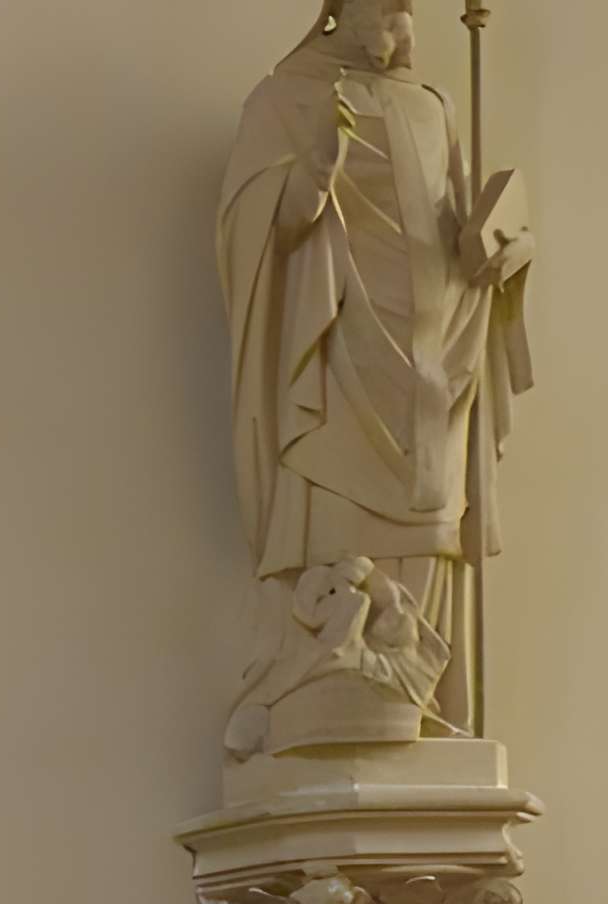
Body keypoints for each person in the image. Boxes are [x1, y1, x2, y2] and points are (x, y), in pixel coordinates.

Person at [219, 0, 532, 759]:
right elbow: (251, 236)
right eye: (387, 7)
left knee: (428, 543)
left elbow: (465, 235)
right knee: (337, 561)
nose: (404, 25)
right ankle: (324, 725)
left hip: (437, 376)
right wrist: (307, 184)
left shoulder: (435, 108)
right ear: (340, 10)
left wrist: (503, 249)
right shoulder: (282, 99)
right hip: (334, 373)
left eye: (410, 9)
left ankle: (429, 724)